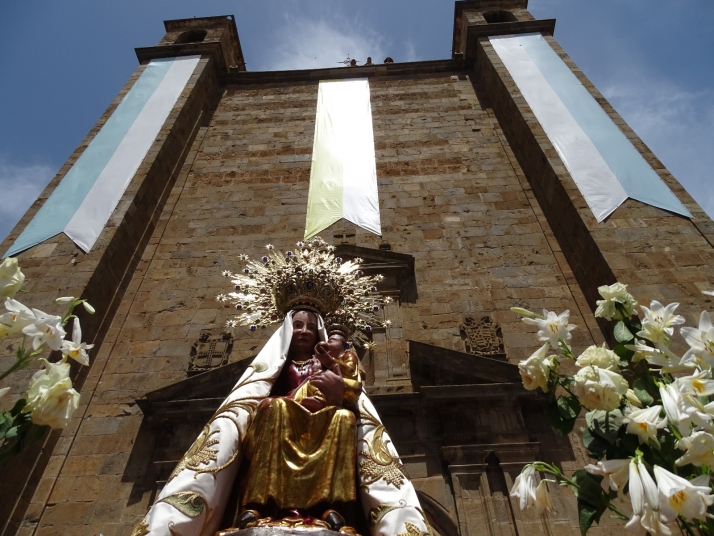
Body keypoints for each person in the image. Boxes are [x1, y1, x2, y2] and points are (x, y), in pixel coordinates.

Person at [236, 310, 359, 531]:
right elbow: (257, 393)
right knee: (274, 407)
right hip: (282, 418)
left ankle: (327, 504)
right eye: (298, 325)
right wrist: (294, 401)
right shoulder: (276, 363)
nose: (304, 331)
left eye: (311, 327)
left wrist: (337, 395)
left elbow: (351, 393)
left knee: (345, 417)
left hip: (321, 416)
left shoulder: (326, 363)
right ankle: (260, 503)